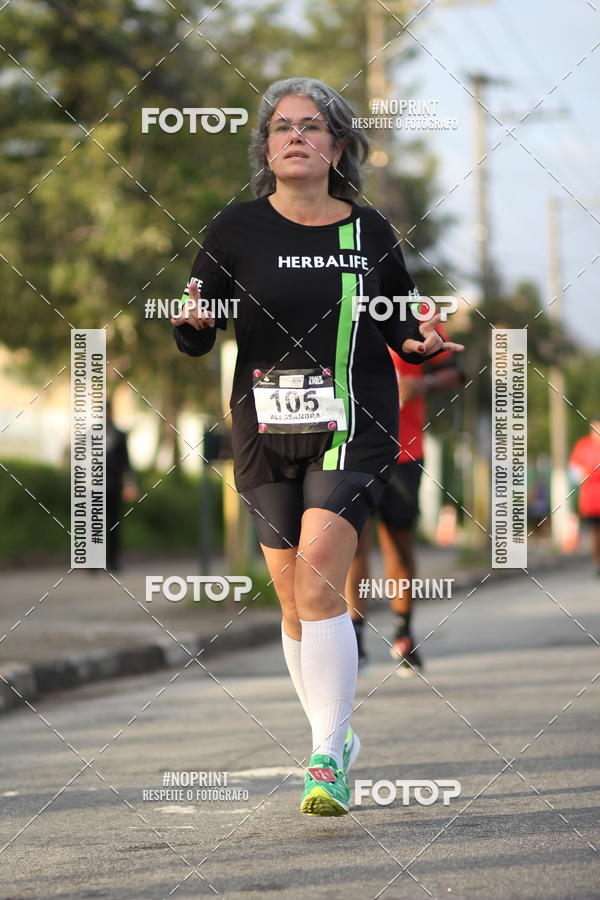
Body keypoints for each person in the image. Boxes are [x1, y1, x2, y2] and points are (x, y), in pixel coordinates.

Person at [171, 77, 464, 817]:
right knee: (294, 602)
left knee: (317, 583)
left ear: (337, 146)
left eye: (310, 126)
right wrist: (195, 325)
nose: (294, 136)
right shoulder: (235, 228)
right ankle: (332, 731)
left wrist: (422, 343)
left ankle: (325, 756)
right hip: (264, 427)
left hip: (355, 423)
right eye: (281, 128)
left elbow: (400, 325)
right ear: (266, 149)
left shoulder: (367, 233)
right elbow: (194, 331)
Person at [346, 335, 462, 673]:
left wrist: (422, 383)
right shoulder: (338, 302)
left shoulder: (414, 313)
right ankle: (354, 637)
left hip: (404, 452)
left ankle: (403, 631)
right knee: (352, 546)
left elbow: (455, 371)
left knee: (398, 544)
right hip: (353, 450)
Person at [105, 399, 138, 572]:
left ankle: (112, 559)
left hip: (114, 486)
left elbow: (126, 463)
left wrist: (130, 484)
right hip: (94, 487)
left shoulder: (119, 435)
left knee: (113, 524)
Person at [569, 417, 600, 574]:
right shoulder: (583, 445)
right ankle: (597, 563)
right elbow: (575, 470)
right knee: (595, 533)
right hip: (591, 500)